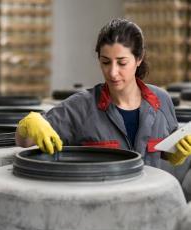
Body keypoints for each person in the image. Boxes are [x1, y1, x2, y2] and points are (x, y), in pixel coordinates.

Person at [16, 18, 191, 169]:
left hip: (147, 201)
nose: (113, 72)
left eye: (122, 63)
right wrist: (28, 125)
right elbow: (24, 142)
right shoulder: (81, 107)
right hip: (100, 201)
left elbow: (167, 151)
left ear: (139, 59)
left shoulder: (161, 100)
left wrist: (176, 154)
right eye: (106, 62)